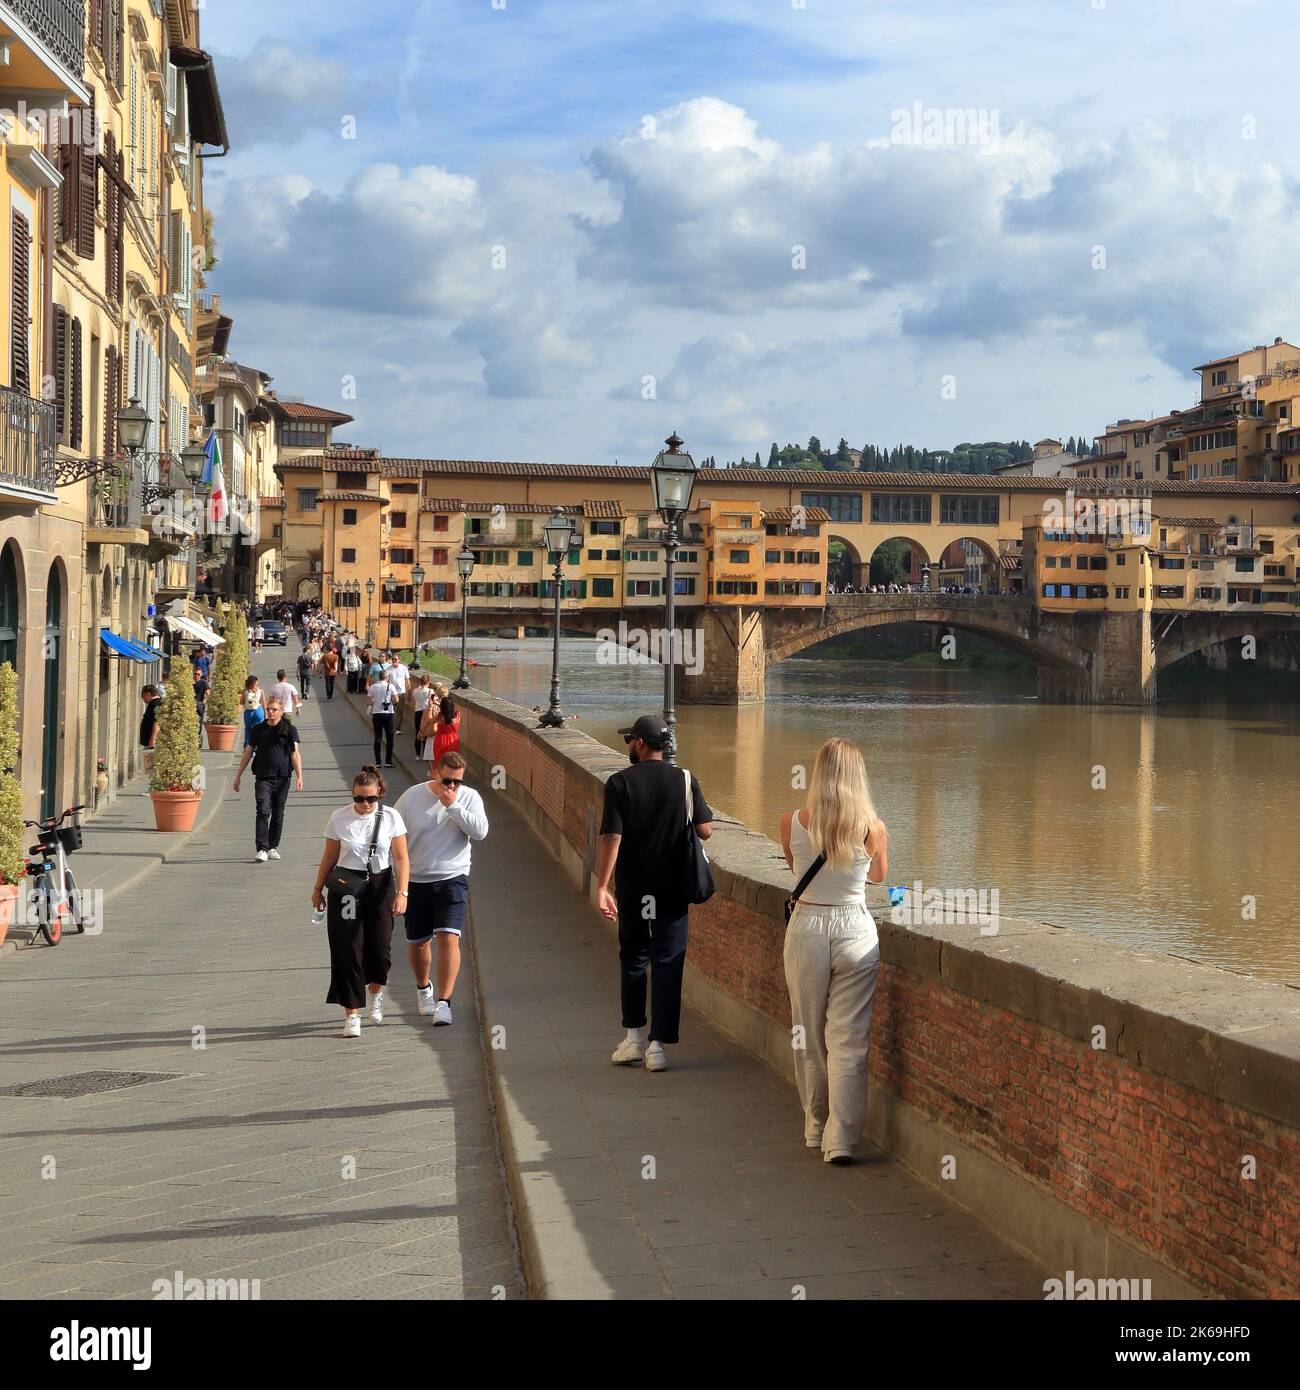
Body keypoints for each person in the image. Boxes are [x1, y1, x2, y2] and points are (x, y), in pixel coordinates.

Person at [779, 737, 889, 1166]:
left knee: (807, 1030)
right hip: (855, 929)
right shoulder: (873, 827)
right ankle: (840, 1139)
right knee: (849, 1038)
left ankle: (813, 1125)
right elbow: (879, 877)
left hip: (807, 926)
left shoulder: (792, 821)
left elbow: (794, 866)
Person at [595, 714, 714, 1072]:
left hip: (635, 888)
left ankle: (632, 1039)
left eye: (630, 739)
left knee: (633, 958)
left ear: (641, 744)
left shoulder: (619, 783)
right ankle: (658, 1048)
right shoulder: (685, 780)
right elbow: (706, 830)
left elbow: (611, 838)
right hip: (673, 888)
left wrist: (602, 886)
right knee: (667, 963)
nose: (628, 745)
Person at [312, 766, 409, 1037]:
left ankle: (376, 991)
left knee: (380, 945)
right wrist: (317, 889)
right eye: (358, 799)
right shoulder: (339, 818)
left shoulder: (391, 817)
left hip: (380, 885)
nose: (364, 804)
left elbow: (401, 858)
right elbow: (329, 857)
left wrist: (403, 893)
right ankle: (352, 1012)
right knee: (347, 947)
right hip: (346, 886)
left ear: (379, 794)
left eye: (370, 799)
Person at [395, 750, 488, 1026]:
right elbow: (395, 836)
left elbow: (481, 832)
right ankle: (424, 988)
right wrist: (396, 880)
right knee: (419, 942)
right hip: (417, 879)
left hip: (453, 876)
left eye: (457, 782)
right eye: (447, 780)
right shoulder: (412, 797)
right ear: (436, 772)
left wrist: (454, 806)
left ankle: (445, 1003)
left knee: (449, 937)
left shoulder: (469, 798)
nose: (451, 787)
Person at [233, 696, 304, 864]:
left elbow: (295, 754)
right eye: (269, 709)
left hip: (283, 777)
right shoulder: (259, 730)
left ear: (281, 711)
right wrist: (238, 776)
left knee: (278, 814)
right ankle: (262, 849)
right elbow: (248, 752)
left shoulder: (289, 729)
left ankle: (272, 847)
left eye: (274, 709)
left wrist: (300, 776)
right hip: (263, 777)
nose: (270, 712)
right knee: (263, 810)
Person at [366, 668, 398, 767]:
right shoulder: (391, 686)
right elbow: (396, 700)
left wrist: (376, 701)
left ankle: (378, 762)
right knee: (389, 738)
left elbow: (368, 701)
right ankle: (388, 761)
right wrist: (390, 700)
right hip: (388, 714)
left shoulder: (373, 687)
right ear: (387, 678)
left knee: (378, 738)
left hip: (377, 714)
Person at [422, 693, 460, 763]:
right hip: (453, 740)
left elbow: (429, 721)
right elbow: (448, 709)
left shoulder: (440, 717)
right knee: (452, 761)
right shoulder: (457, 715)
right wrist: (439, 704)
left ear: (442, 707)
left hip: (441, 740)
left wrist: (430, 707)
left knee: (440, 762)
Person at [139, 684, 162, 773]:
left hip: (152, 742)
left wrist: (153, 738)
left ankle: (153, 779)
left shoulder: (155, 704)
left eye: (143, 695)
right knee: (150, 768)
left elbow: (157, 722)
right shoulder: (155, 703)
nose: (142, 697)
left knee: (150, 769)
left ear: (148, 694)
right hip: (150, 741)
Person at [410, 673, 433, 758]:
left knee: (418, 731)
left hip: (417, 711)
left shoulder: (415, 690)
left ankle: (417, 754)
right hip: (426, 712)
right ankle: (424, 753)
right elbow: (432, 701)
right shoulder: (430, 691)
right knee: (425, 732)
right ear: (428, 682)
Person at [388, 652, 410, 732]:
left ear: (399, 660)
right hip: (391, 694)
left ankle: (397, 729)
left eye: (395, 659)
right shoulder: (388, 669)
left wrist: (409, 692)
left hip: (402, 693)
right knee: (390, 712)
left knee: (400, 712)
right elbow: (386, 682)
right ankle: (390, 727)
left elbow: (407, 681)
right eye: (393, 659)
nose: (394, 660)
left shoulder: (404, 668)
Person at [242, 675, 265, 748]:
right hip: (258, 711)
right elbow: (264, 703)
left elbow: (241, 702)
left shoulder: (246, 691)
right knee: (259, 730)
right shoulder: (260, 690)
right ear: (255, 682)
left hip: (248, 713)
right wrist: (266, 713)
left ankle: (247, 747)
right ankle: (259, 747)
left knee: (248, 730)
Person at [193, 667, 210, 746]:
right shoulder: (190, 682)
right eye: (195, 674)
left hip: (199, 704)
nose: (196, 675)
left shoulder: (203, 682)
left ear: (201, 674)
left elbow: (208, 693)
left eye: (198, 674)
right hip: (190, 704)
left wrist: (204, 701)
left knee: (199, 720)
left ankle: (198, 737)